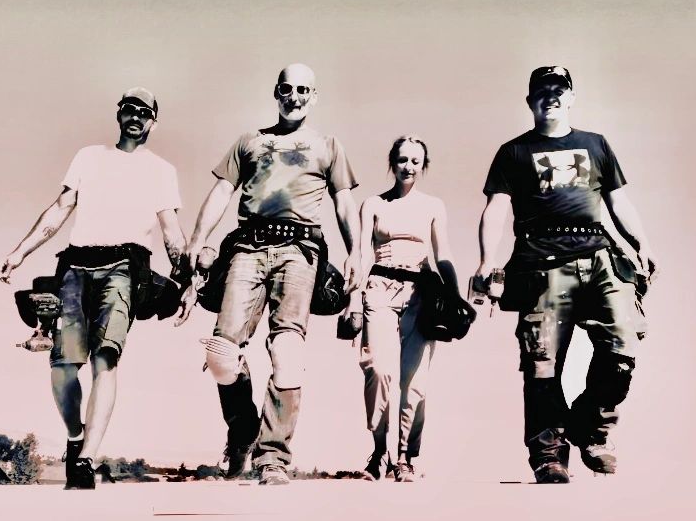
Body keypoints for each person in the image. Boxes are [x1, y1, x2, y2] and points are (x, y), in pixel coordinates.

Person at [177, 63, 361, 486]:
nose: (293, 96)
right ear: (275, 93)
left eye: (302, 90)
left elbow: (345, 201)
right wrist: (197, 239)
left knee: (287, 351)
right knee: (221, 354)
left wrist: (357, 252)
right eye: (286, 89)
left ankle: (273, 457)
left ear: (314, 96)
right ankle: (242, 432)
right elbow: (222, 190)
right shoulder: (250, 141)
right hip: (247, 246)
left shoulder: (328, 145)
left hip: (300, 249)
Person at [0, 87, 186, 489]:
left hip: (124, 267)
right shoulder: (89, 157)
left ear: (153, 121)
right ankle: (75, 436)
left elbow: (171, 230)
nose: (136, 117)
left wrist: (186, 278)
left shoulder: (161, 170)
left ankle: (86, 461)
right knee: (63, 368)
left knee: (106, 358)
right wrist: (20, 252)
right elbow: (60, 209)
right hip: (75, 265)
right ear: (119, 114)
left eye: (145, 113)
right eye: (130, 110)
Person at [476, 66, 656, 483]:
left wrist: (642, 242)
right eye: (542, 91)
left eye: (558, 90)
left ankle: (590, 427)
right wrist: (487, 260)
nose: (550, 97)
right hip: (541, 262)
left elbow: (618, 201)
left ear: (571, 97)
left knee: (622, 348)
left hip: (598, 256)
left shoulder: (596, 145)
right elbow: (496, 208)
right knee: (542, 364)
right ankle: (548, 454)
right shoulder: (514, 152)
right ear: (530, 101)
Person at [342, 135, 474, 482]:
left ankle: (405, 456)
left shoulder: (433, 206)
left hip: (420, 293)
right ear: (392, 162)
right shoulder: (373, 204)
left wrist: (456, 297)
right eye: (402, 159)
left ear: (423, 165)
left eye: (415, 161)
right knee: (379, 371)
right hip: (379, 290)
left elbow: (442, 253)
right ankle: (379, 452)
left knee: (414, 382)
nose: (408, 166)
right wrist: (354, 296)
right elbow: (362, 252)